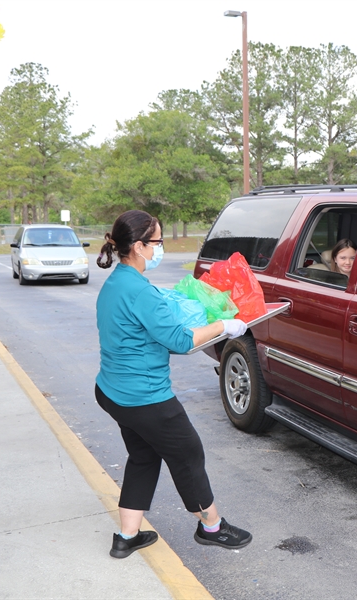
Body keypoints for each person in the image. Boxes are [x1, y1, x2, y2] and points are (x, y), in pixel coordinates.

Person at [95, 209, 253, 559]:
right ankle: (211, 527)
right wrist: (226, 327)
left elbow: (143, 320)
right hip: (144, 396)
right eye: (158, 242)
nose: (160, 248)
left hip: (112, 390)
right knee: (188, 454)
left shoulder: (119, 281)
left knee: (143, 455)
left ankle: (127, 536)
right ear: (138, 246)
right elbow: (180, 341)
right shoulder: (139, 292)